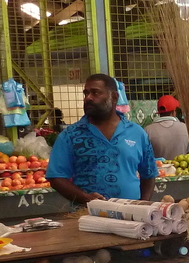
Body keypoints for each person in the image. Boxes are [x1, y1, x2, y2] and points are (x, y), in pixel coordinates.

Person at [47, 74, 157, 204]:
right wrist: (85, 198)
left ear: (114, 97)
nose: (88, 98)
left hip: (130, 216)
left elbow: (149, 174)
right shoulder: (70, 136)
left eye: (95, 93)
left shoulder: (136, 133)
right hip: (88, 215)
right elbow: (56, 177)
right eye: (86, 93)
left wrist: (143, 204)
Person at [145, 94, 189, 160]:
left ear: (159, 112)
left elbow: (144, 156)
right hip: (182, 169)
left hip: (159, 170)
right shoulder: (185, 128)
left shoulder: (148, 130)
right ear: (174, 112)